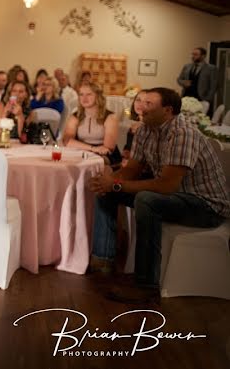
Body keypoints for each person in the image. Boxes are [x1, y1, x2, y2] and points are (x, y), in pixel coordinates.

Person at [88, 87, 230, 304]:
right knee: (107, 193)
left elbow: (166, 186)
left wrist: (116, 185)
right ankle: (103, 261)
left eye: (148, 104)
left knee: (147, 200)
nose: (140, 107)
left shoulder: (183, 133)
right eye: (140, 101)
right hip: (178, 197)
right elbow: (131, 171)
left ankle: (146, 287)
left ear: (167, 110)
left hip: (206, 207)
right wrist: (108, 182)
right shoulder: (146, 129)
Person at [62, 82, 120, 166]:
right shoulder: (75, 116)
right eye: (81, 94)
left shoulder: (110, 117)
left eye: (89, 94)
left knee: (92, 163)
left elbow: (108, 147)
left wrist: (91, 149)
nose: (84, 98)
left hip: (105, 156)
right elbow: (66, 141)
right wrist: (92, 148)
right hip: (82, 152)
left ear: (98, 96)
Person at [122, 90, 147, 159]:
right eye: (138, 100)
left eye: (146, 101)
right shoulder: (133, 125)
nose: (140, 104)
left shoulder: (151, 127)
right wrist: (126, 151)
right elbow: (128, 146)